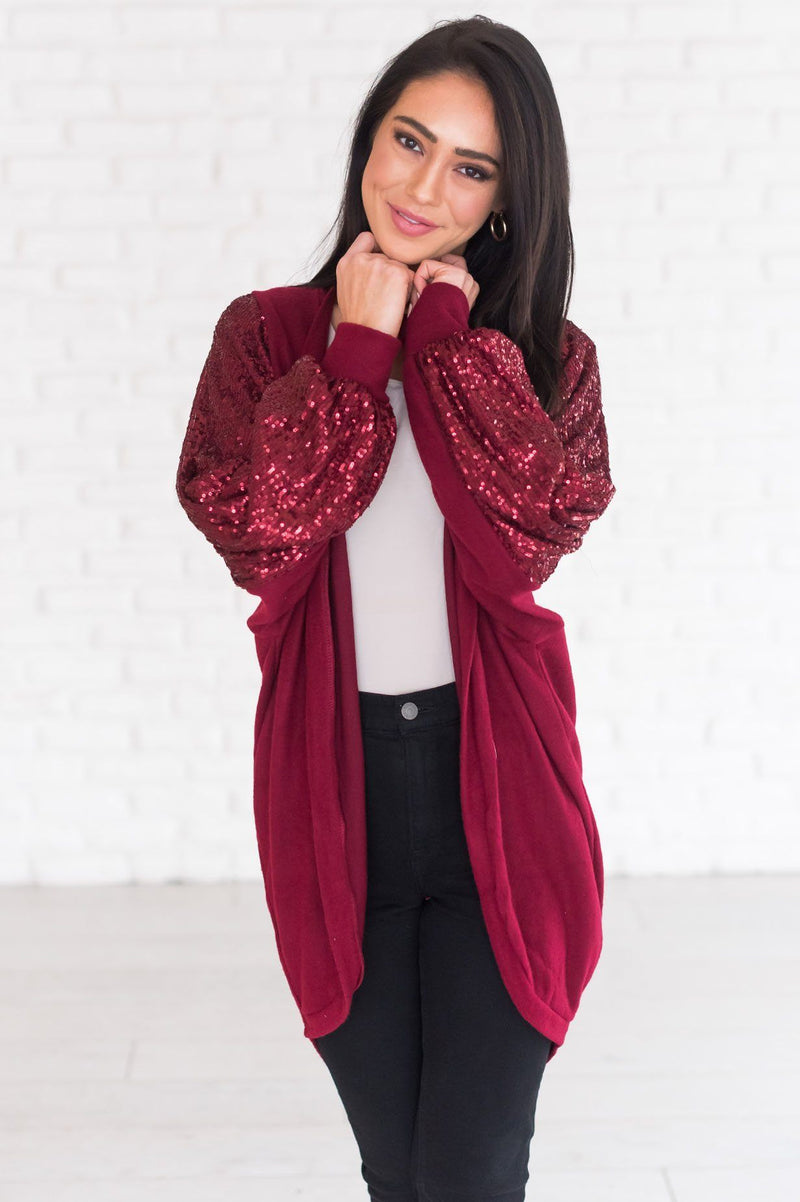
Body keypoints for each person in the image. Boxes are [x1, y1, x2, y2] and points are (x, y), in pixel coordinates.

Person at [175, 14, 616, 1202]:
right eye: (409, 141)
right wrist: (358, 344)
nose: (423, 188)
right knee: (400, 1171)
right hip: (335, 795)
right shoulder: (265, 335)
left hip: (499, 790)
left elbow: (527, 540)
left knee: (471, 1170)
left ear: (506, 197)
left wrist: (444, 343)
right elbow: (259, 536)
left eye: (469, 167)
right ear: (368, 140)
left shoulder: (543, 355)